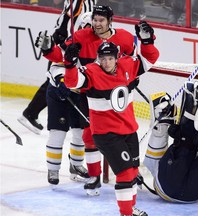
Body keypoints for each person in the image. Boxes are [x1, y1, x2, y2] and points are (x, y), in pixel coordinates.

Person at [34, 5, 137, 196]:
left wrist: (130, 76)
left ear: (109, 21)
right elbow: (61, 57)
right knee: (85, 135)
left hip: (112, 94)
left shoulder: (123, 37)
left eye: (100, 21)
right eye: (93, 21)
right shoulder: (81, 37)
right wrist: (49, 50)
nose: (95, 25)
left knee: (123, 131)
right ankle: (92, 176)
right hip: (86, 92)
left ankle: (130, 171)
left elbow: (135, 58)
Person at [63, 21, 158, 216]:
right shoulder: (91, 72)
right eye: (102, 58)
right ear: (98, 59)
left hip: (129, 131)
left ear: (117, 58)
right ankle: (126, 213)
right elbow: (72, 82)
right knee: (123, 174)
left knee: (132, 172)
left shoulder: (127, 65)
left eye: (109, 59)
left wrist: (147, 40)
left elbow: (150, 59)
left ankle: (130, 209)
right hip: (107, 135)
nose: (106, 62)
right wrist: (70, 64)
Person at [18, 0, 96, 135]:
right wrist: (65, 41)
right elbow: (71, 15)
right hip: (67, 43)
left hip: (68, 40)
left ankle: (30, 113)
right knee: (55, 81)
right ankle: (30, 113)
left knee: (58, 81)